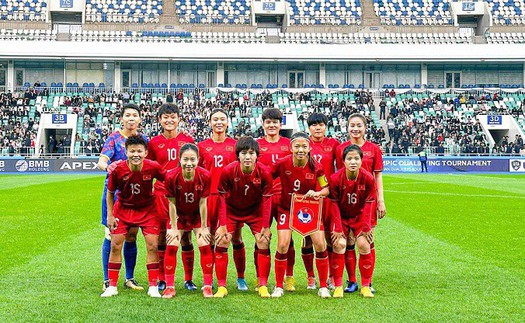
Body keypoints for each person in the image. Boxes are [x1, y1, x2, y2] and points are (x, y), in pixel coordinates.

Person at [101, 135, 165, 298]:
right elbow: (109, 193)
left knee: (152, 246)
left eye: (139, 151)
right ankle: (112, 286)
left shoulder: (153, 167)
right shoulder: (118, 169)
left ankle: (153, 286)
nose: (135, 154)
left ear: (145, 153)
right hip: (123, 209)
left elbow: (168, 180)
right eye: (132, 151)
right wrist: (110, 215)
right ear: (126, 152)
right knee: (116, 245)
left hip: (148, 210)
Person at [271, 132, 331, 298]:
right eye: (297, 146)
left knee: (320, 243)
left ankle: (323, 286)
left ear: (309, 148)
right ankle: (278, 286)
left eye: (304, 146)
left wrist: (317, 193)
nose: (300, 150)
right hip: (286, 208)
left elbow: (326, 189)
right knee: (283, 244)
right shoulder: (282, 163)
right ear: (291, 148)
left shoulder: (316, 166)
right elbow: (267, 177)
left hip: (308, 209)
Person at [213, 136, 273, 298]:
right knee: (223, 239)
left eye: (251, 153)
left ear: (257, 155)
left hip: (255, 211)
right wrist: (223, 225)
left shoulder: (265, 172)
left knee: (263, 240)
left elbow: (267, 200)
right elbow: (222, 198)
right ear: (238, 155)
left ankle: (262, 285)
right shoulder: (228, 171)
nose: (247, 157)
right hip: (232, 211)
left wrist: (266, 227)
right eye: (244, 153)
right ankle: (222, 286)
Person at [97, 103, 146, 291]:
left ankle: (129, 278)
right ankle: (107, 279)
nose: (131, 118)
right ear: (122, 119)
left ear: (140, 119)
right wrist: (106, 166)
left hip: (135, 196)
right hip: (114, 196)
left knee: (132, 236)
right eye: (128, 115)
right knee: (111, 236)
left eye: (135, 115)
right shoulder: (113, 139)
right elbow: (103, 159)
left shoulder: (143, 140)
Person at [147, 103, 195, 292]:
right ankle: (161, 279)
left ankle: (188, 279)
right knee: (161, 237)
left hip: (183, 196)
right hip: (160, 194)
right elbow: (149, 168)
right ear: (160, 120)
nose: (169, 120)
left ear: (178, 119)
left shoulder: (188, 140)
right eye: (165, 117)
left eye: (173, 117)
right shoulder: (153, 143)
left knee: (186, 237)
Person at [335, 113, 385, 293]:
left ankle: (368, 282)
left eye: (359, 125)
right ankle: (352, 281)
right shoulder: (340, 148)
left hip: (367, 202)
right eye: (352, 125)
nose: (355, 129)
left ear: (365, 127)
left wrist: (380, 200)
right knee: (348, 241)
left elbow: (378, 176)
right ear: (347, 127)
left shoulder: (374, 149)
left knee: (366, 240)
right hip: (345, 202)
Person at [163, 143, 214, 298]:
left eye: (193, 159)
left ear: (198, 160)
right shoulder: (171, 176)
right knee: (172, 244)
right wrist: (172, 226)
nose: (189, 163)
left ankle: (207, 286)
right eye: (186, 159)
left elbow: (203, 202)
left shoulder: (205, 175)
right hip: (178, 215)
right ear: (180, 159)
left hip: (197, 215)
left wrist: (204, 227)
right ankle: (170, 287)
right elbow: (171, 203)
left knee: (204, 243)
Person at [329, 144, 377, 298]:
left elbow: (369, 203)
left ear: (361, 160)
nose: (353, 161)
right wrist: (337, 227)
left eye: (356, 158)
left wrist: (366, 226)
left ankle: (365, 286)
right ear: (343, 161)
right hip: (342, 217)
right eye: (349, 158)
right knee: (339, 244)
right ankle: (338, 285)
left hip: (360, 216)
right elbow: (334, 203)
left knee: (364, 244)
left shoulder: (368, 178)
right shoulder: (335, 178)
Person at [255, 108, 294, 291]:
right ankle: (259, 278)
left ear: (280, 124)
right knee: (261, 238)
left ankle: (289, 277)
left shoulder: (289, 144)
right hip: (263, 198)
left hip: (285, 197)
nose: (272, 125)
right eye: (268, 122)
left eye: (275, 122)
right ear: (263, 124)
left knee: (287, 239)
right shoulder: (256, 145)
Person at [197, 108, 237, 280]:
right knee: (208, 238)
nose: (219, 122)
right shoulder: (202, 146)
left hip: (228, 199)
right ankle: (209, 279)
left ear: (227, 122)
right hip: (207, 198)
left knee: (229, 238)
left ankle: (238, 278)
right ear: (210, 123)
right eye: (215, 119)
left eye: (222, 119)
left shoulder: (235, 145)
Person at [304, 112, 340, 290]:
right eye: (313, 125)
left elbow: (340, 169)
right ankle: (311, 277)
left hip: (327, 196)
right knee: (308, 239)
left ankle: (331, 277)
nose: (317, 128)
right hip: (308, 198)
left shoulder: (333, 144)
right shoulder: (303, 144)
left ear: (326, 126)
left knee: (329, 237)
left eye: (321, 124)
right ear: (308, 127)